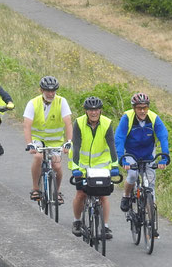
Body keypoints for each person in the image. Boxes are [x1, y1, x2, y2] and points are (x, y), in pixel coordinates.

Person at [115, 92, 169, 237]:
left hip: (148, 154)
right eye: (139, 108)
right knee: (132, 175)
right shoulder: (127, 118)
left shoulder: (154, 118)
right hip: (131, 153)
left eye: (145, 107)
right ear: (134, 108)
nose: (142, 111)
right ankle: (126, 195)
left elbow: (163, 136)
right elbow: (119, 138)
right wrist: (122, 159)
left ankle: (151, 224)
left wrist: (164, 158)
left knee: (150, 188)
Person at [69, 96, 120, 239]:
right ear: (86, 111)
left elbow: (111, 145)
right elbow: (77, 147)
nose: (93, 113)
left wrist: (115, 166)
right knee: (81, 194)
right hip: (83, 166)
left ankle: (105, 227)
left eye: (96, 110)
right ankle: (77, 221)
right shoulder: (78, 123)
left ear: (100, 110)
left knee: (103, 196)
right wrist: (76, 167)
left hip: (101, 165)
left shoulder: (107, 123)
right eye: (90, 110)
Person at [23, 76, 73, 205]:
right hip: (37, 139)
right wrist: (30, 144)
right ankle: (35, 188)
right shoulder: (33, 103)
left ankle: (57, 191)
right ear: (41, 90)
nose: (51, 94)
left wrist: (68, 141)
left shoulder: (62, 102)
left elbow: (68, 123)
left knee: (56, 165)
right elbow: (27, 125)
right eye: (47, 91)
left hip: (55, 141)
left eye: (53, 91)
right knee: (38, 157)